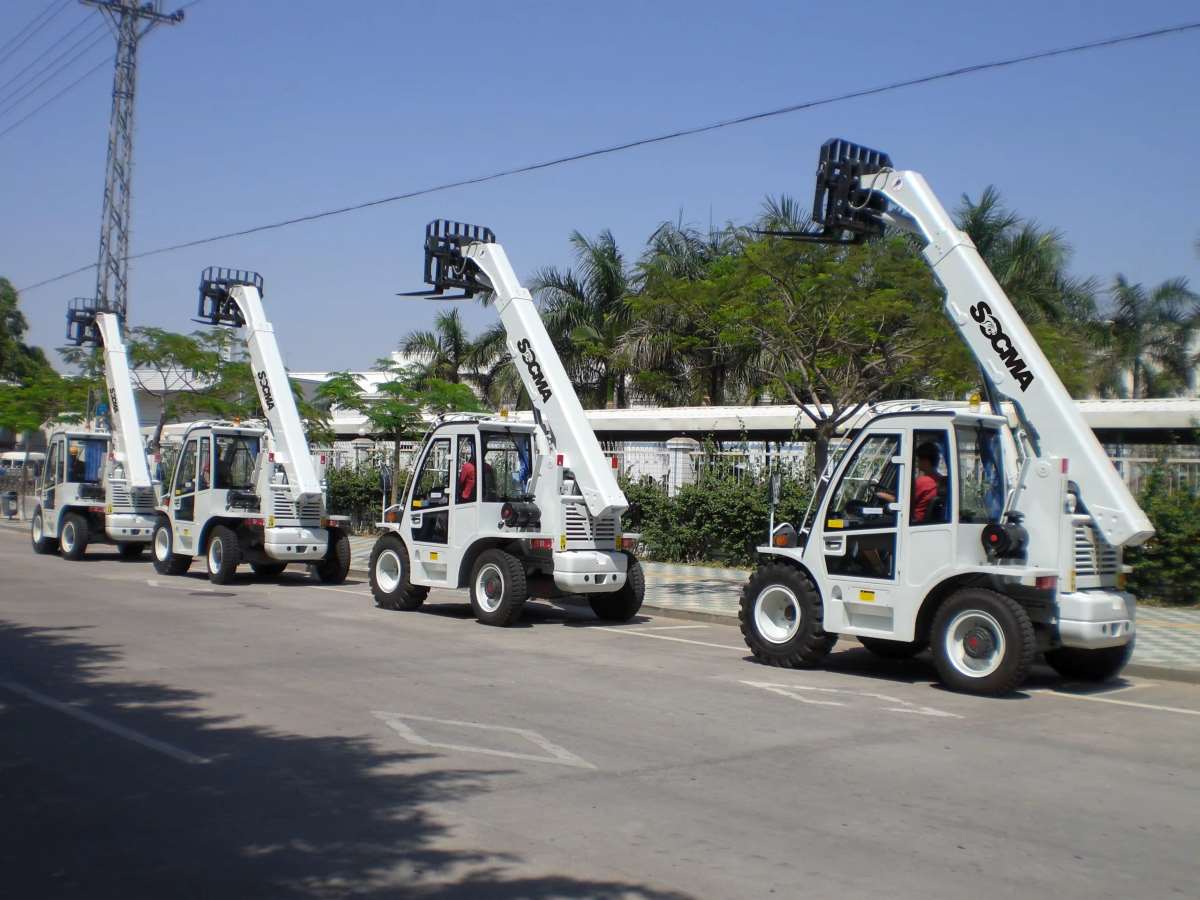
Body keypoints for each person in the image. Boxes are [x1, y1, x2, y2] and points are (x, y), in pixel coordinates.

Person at [911, 442, 945, 523]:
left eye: (918, 459)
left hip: (915, 521)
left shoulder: (922, 481)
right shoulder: (941, 479)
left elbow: (904, 502)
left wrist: (881, 495)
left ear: (926, 461)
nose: (917, 462)